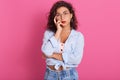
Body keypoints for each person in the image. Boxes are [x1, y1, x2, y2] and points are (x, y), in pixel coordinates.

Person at [41, 1, 84, 80]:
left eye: (65, 13)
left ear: (71, 15)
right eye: (58, 14)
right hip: (50, 75)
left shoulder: (78, 36)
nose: (62, 17)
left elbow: (76, 59)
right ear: (55, 18)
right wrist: (58, 32)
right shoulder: (48, 34)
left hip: (69, 75)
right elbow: (46, 51)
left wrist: (52, 55)